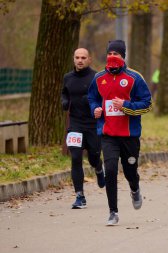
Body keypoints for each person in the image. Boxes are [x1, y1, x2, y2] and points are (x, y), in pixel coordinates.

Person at [88, 40, 152, 225]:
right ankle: (113, 212)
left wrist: (126, 106)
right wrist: (95, 109)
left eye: (116, 53)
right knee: (111, 170)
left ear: (123, 56)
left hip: (129, 135)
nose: (112, 56)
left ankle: (134, 188)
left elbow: (147, 104)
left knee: (130, 169)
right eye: (110, 53)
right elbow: (92, 97)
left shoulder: (134, 78)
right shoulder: (99, 78)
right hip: (108, 134)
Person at [61, 48, 105, 209]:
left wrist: (95, 104)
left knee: (93, 156)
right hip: (75, 123)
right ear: (73, 59)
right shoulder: (68, 78)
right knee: (75, 158)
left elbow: (103, 98)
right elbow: (64, 93)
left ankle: (99, 169)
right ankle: (80, 196)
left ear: (89, 60)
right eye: (77, 57)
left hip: (93, 124)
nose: (80, 60)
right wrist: (64, 102)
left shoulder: (96, 78)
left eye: (83, 58)